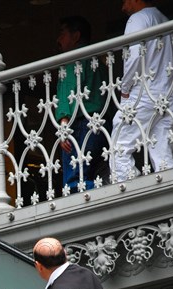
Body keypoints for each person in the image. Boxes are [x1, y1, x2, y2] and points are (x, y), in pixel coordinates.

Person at [110, 0, 173, 182]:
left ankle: (129, 196)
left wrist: (125, 89)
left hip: (144, 94)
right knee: (163, 157)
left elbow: (133, 56)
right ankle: (170, 196)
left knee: (119, 147)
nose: (123, 8)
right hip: (168, 96)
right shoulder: (163, 19)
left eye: (124, 1)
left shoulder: (138, 18)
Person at [55, 16, 109, 193]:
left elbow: (69, 92)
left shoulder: (73, 58)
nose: (58, 39)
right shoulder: (97, 60)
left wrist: (64, 125)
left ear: (76, 36)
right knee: (99, 173)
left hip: (81, 125)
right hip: (101, 124)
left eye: (62, 33)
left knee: (74, 182)